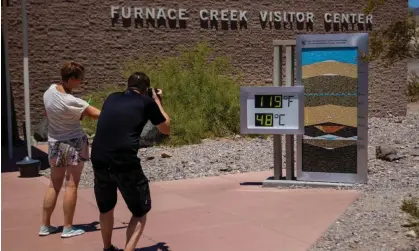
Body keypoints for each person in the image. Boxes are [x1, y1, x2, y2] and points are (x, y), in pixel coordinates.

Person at [90, 72, 170, 251]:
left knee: (106, 207)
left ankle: (107, 248)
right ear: (146, 89)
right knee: (140, 211)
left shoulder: (111, 98)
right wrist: (157, 100)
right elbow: (165, 128)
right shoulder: (147, 102)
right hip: (124, 161)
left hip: (99, 157)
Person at [40, 61, 101, 238]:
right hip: (74, 143)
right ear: (72, 78)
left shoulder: (49, 91)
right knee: (72, 185)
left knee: (54, 184)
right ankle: (67, 228)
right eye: (80, 80)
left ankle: (45, 226)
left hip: (54, 142)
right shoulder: (72, 101)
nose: (81, 83)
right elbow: (97, 114)